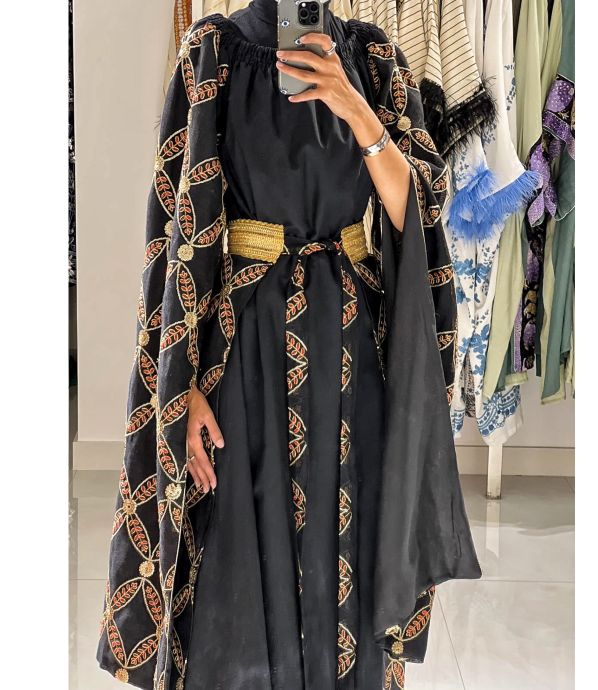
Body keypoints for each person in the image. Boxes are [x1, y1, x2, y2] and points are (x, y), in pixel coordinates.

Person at [96, 2, 481, 688]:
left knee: (350, 556)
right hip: (244, 349)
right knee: (238, 570)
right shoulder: (213, 54)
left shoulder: (375, 62)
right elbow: (177, 236)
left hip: (353, 352)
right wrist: (180, 391)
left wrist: (354, 108)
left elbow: (419, 212)